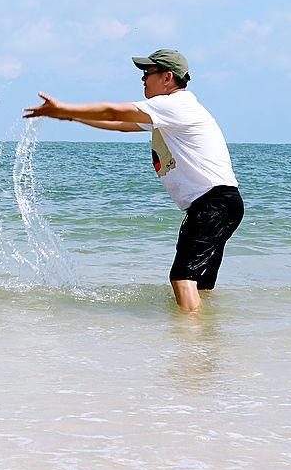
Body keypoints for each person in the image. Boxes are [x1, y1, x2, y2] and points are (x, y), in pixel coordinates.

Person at [23, 49, 244, 312]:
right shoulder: (173, 110)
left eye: (147, 73)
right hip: (221, 204)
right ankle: (206, 338)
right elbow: (121, 124)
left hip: (213, 204)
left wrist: (64, 108)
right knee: (200, 284)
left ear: (167, 77)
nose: (142, 79)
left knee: (182, 278)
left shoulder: (175, 104)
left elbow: (113, 112)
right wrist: (70, 117)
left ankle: (192, 344)